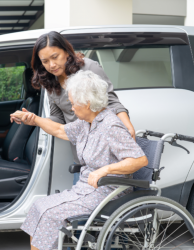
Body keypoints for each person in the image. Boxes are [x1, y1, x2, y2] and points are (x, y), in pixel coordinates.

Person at [10, 70, 148, 250]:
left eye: (74, 103)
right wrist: (34, 119)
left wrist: (104, 170)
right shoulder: (87, 122)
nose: (72, 108)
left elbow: (140, 160)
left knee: (50, 214)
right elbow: (60, 130)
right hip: (86, 189)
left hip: (107, 191)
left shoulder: (110, 125)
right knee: (39, 206)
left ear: (88, 103)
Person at [11, 31, 135, 185]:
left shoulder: (89, 67)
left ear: (66, 51)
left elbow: (112, 102)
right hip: (82, 155)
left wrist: (128, 127)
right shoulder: (49, 80)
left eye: (55, 57)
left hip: (103, 152)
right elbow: (58, 118)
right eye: (45, 61)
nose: (51, 65)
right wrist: (35, 119)